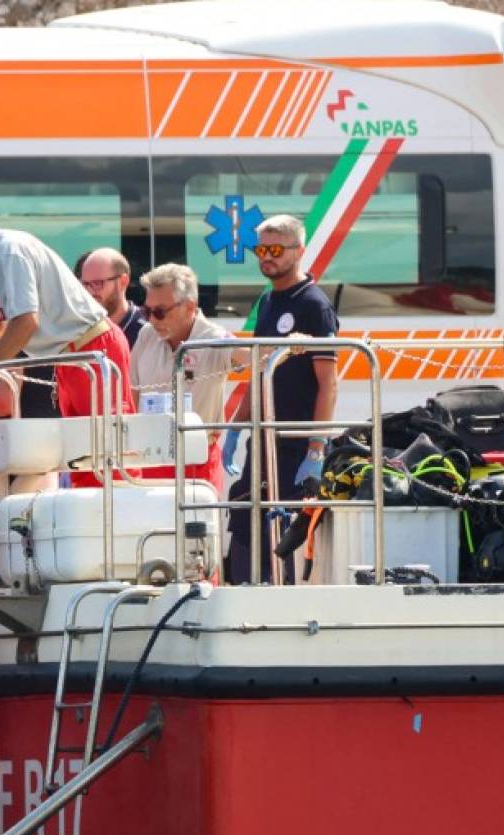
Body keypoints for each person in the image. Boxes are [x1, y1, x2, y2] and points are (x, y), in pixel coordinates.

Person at [0, 195, 135, 430]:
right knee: (87, 447)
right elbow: (21, 317)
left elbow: (26, 322)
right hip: (78, 353)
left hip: (91, 349)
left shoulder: (9, 253)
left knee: (109, 445)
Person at [224, 215, 339, 585]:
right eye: (261, 250)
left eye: (275, 249)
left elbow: (328, 384)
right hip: (263, 440)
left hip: (294, 443)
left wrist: (316, 448)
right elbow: (259, 371)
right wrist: (235, 428)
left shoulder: (314, 305)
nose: (267, 257)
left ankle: (286, 599)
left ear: (299, 251)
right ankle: (246, 594)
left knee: (284, 532)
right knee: (244, 520)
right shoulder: (268, 302)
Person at [128, 263, 241, 486]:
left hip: (196, 462)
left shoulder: (214, 338)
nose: (152, 320)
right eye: (147, 312)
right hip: (149, 459)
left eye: (160, 312)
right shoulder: (146, 334)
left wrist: (288, 347)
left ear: (189, 307)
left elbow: (252, 356)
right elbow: (131, 396)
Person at [79, 248, 147, 352]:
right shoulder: (79, 332)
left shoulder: (146, 332)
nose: (90, 292)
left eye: (98, 283)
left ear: (123, 282)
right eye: (85, 284)